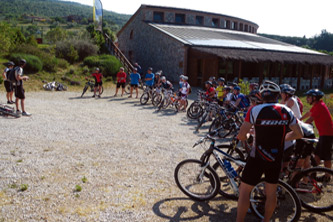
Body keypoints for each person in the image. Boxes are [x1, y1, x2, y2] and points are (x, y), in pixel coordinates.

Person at [236, 80, 303, 222]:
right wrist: (282, 137)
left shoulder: (254, 110)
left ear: (261, 95)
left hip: (257, 157)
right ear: (277, 95)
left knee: (244, 191)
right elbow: (299, 134)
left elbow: (241, 135)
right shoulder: (286, 110)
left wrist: (248, 137)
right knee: (271, 193)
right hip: (276, 157)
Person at [301, 89, 333, 180]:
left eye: (309, 97)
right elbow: (308, 113)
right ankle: (312, 174)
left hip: (327, 134)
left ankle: (327, 176)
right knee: (317, 155)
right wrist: (299, 120)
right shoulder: (317, 105)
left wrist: (301, 126)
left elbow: (310, 119)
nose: (307, 99)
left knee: (326, 156)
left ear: (314, 98)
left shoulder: (320, 106)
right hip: (324, 133)